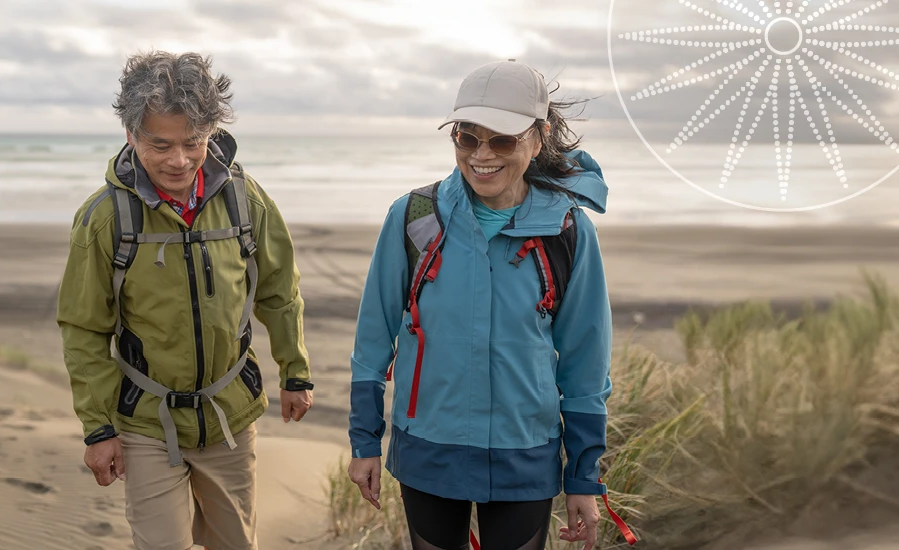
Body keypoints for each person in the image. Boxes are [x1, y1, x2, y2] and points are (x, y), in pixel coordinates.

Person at [344, 60, 632, 550]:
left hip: (525, 453)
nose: (481, 155)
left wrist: (584, 475)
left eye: (501, 139)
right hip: (429, 447)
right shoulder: (414, 217)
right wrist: (364, 442)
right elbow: (373, 337)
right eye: (466, 137)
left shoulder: (567, 231)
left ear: (537, 139)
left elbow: (586, 364)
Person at [57, 51, 316, 550]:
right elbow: (84, 328)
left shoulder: (246, 200)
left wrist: (295, 369)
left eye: (192, 143)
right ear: (131, 135)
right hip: (147, 423)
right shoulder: (105, 219)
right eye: (160, 144)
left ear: (210, 133)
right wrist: (98, 429)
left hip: (230, 415)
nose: (178, 160)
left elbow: (280, 289)